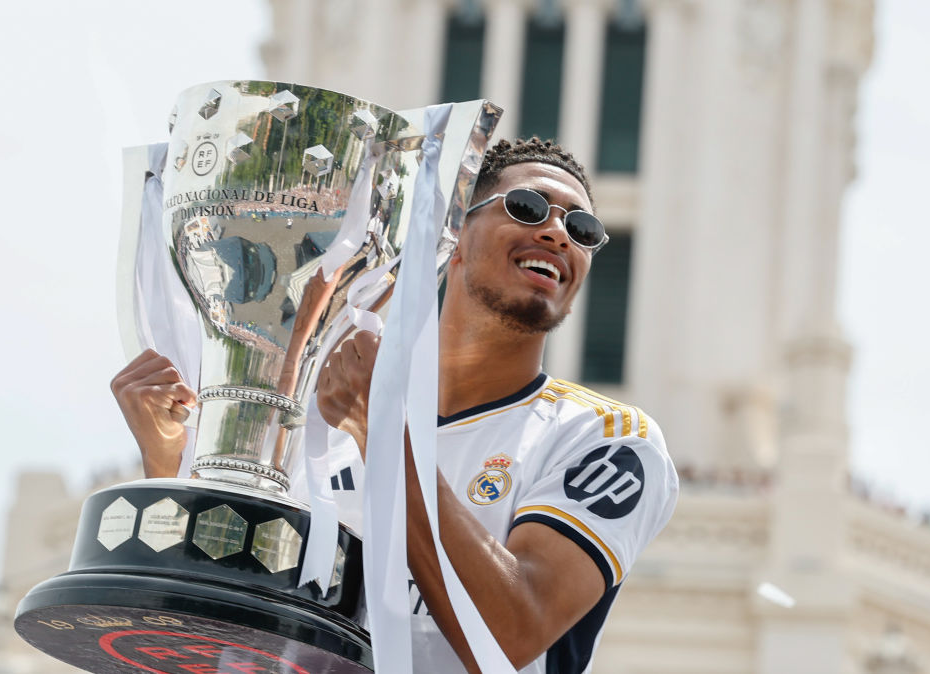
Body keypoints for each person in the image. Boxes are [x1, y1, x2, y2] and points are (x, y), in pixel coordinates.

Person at [112, 137, 679, 674]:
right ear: (452, 231)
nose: (558, 233)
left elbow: (511, 633)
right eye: (528, 206)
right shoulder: (317, 409)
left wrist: (383, 433)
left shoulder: (607, 437)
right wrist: (170, 464)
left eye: (582, 228)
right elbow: (224, 607)